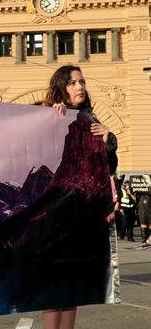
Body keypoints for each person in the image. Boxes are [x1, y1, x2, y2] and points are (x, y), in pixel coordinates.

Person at [40, 64, 117, 329]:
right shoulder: (48, 115)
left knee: (72, 287)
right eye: (73, 83)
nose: (80, 87)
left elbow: (109, 168)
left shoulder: (91, 121)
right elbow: (36, 153)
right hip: (56, 213)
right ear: (61, 87)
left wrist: (106, 140)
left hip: (83, 214)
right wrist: (50, 120)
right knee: (54, 285)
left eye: (82, 81)